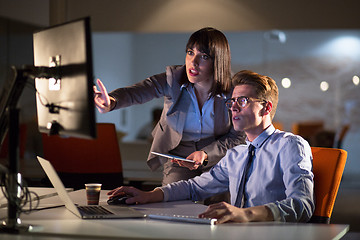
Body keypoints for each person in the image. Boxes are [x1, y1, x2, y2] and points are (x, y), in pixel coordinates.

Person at [107, 70, 315, 224]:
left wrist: (245, 214)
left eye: (242, 101)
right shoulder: (237, 154)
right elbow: (194, 187)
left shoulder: (290, 145)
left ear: (266, 107)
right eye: (231, 101)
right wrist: (149, 195)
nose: (233, 107)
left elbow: (302, 204)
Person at [94, 27, 245, 186]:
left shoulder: (233, 91)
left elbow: (236, 137)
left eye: (204, 56)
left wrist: (206, 154)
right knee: (171, 199)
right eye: (190, 52)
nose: (193, 62)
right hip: (179, 157)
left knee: (219, 203)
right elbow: (140, 90)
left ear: (217, 62)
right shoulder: (174, 79)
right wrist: (111, 101)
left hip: (218, 157)